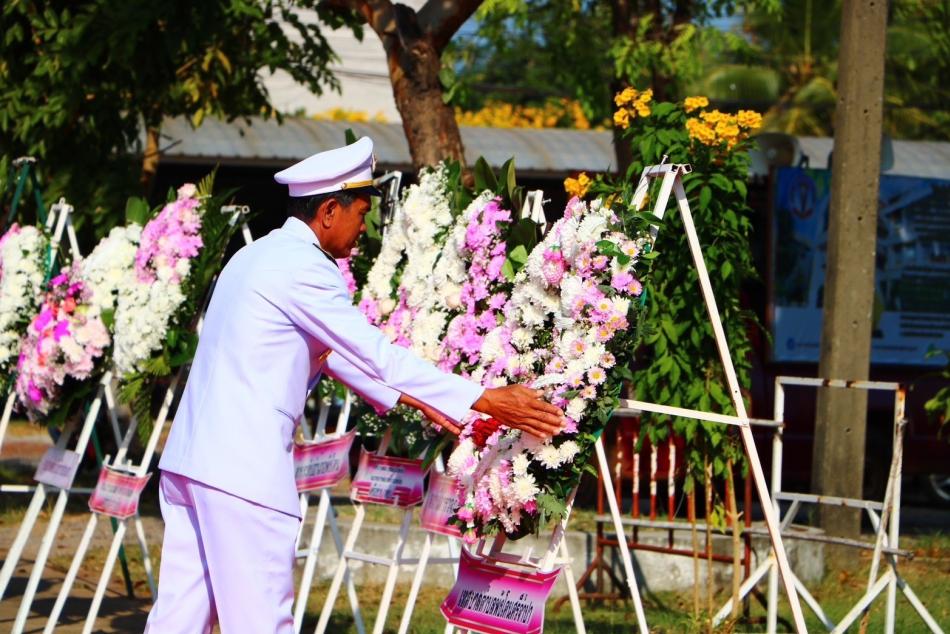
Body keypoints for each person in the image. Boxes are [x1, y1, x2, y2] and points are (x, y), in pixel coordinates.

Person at [145, 137, 563, 633]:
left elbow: (327, 351)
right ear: (327, 211)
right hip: (243, 472)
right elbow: (372, 351)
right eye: (361, 213)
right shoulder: (305, 269)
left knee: (177, 619)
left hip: (191, 462)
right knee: (258, 622)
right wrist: (485, 397)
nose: (363, 227)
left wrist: (413, 399)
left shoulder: (255, 257)